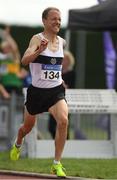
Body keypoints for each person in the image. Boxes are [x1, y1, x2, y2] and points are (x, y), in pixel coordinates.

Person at [10, 7, 68, 178]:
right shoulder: (37, 39)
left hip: (55, 91)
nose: (57, 22)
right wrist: (39, 51)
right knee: (27, 128)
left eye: (59, 19)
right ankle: (18, 142)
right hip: (37, 92)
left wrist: (60, 78)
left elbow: (55, 66)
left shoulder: (63, 42)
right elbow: (24, 61)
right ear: (44, 21)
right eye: (54, 19)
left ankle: (56, 164)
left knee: (63, 121)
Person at [48, 50, 76, 139]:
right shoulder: (55, 72)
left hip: (65, 101)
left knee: (63, 125)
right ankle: (57, 143)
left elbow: (67, 87)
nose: (64, 62)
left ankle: (65, 145)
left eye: (66, 60)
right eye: (63, 59)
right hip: (53, 101)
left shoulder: (72, 73)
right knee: (51, 127)